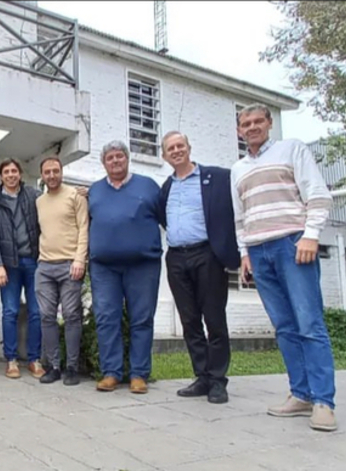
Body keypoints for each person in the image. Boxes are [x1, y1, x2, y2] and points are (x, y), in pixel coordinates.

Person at [232, 104, 336, 431]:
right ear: (239, 130)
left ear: (269, 123)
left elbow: (317, 195)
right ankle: (301, 394)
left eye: (257, 121)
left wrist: (311, 235)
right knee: (284, 326)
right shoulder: (238, 169)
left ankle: (323, 401)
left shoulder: (291, 149)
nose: (251, 127)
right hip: (258, 251)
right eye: (245, 123)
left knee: (309, 322)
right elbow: (240, 216)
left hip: (292, 244)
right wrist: (244, 253)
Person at [158, 131, 239, 404]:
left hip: (207, 255)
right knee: (189, 321)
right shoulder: (166, 187)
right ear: (164, 156)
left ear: (189, 148)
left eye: (180, 145)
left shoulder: (217, 177)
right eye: (171, 148)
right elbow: (162, 217)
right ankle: (202, 377)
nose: (176, 150)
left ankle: (218, 381)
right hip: (177, 258)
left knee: (214, 319)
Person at [88, 140, 162, 394]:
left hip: (143, 265)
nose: (115, 161)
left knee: (141, 319)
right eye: (110, 158)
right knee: (106, 318)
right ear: (103, 163)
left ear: (127, 159)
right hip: (104, 267)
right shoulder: (95, 191)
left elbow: (165, 218)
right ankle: (111, 372)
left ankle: (139, 374)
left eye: (120, 156)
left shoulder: (149, 186)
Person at [0, 158, 44, 379]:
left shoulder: (33, 195)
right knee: (9, 311)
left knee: (36, 311)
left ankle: (34, 359)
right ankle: (11, 360)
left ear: (20, 174)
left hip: (32, 262)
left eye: (14, 171)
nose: (10, 175)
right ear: (1, 176)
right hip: (8, 265)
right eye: (6, 171)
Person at [35, 157, 89, 386]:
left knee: (71, 315)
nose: (51, 175)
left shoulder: (76, 196)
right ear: (42, 175)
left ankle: (72, 367)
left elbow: (84, 228)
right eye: (47, 172)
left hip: (70, 264)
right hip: (45, 266)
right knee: (46, 317)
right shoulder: (39, 201)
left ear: (62, 172)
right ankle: (54, 366)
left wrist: (80, 259)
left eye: (55, 171)